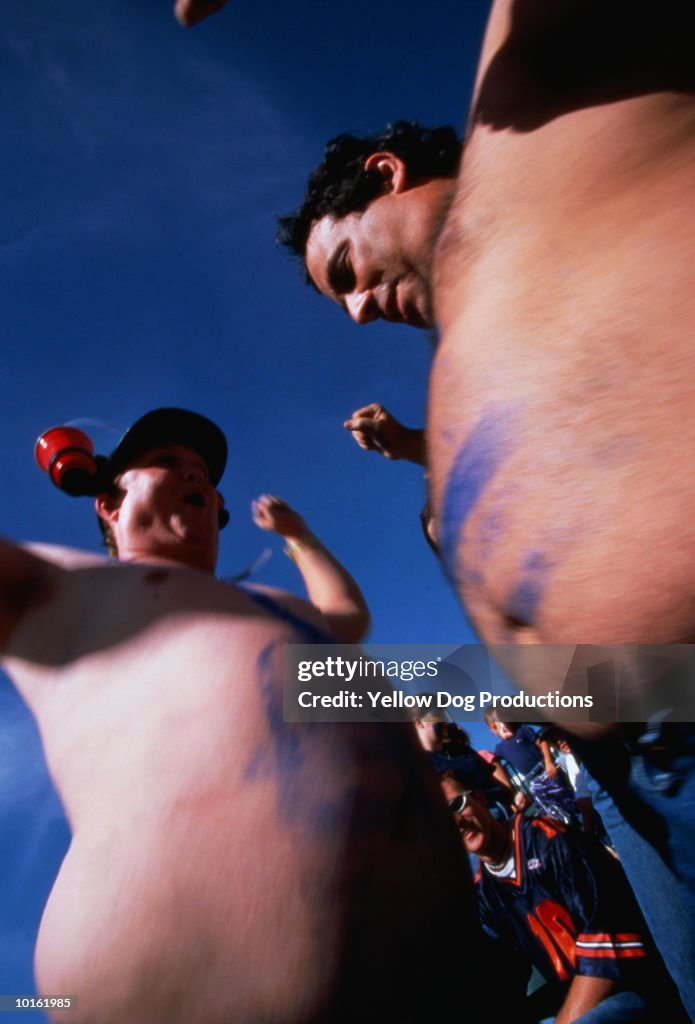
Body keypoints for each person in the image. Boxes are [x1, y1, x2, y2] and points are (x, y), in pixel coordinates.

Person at [1, 407, 485, 1024]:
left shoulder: (276, 604)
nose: (195, 475)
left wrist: (299, 537)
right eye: (169, 464)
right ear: (107, 501)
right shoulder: (63, 589)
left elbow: (346, 616)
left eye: (201, 471)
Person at [440, 771, 687, 1024]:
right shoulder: (484, 895)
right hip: (571, 995)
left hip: (632, 986)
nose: (457, 822)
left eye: (457, 804)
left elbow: (613, 937)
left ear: (479, 799)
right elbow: (504, 978)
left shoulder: (546, 838)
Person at [484, 710, 579, 826]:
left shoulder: (522, 730)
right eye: (495, 726)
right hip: (534, 781)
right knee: (554, 812)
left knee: (570, 800)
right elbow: (492, 761)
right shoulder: (500, 748)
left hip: (545, 770)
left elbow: (542, 742)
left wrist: (548, 762)